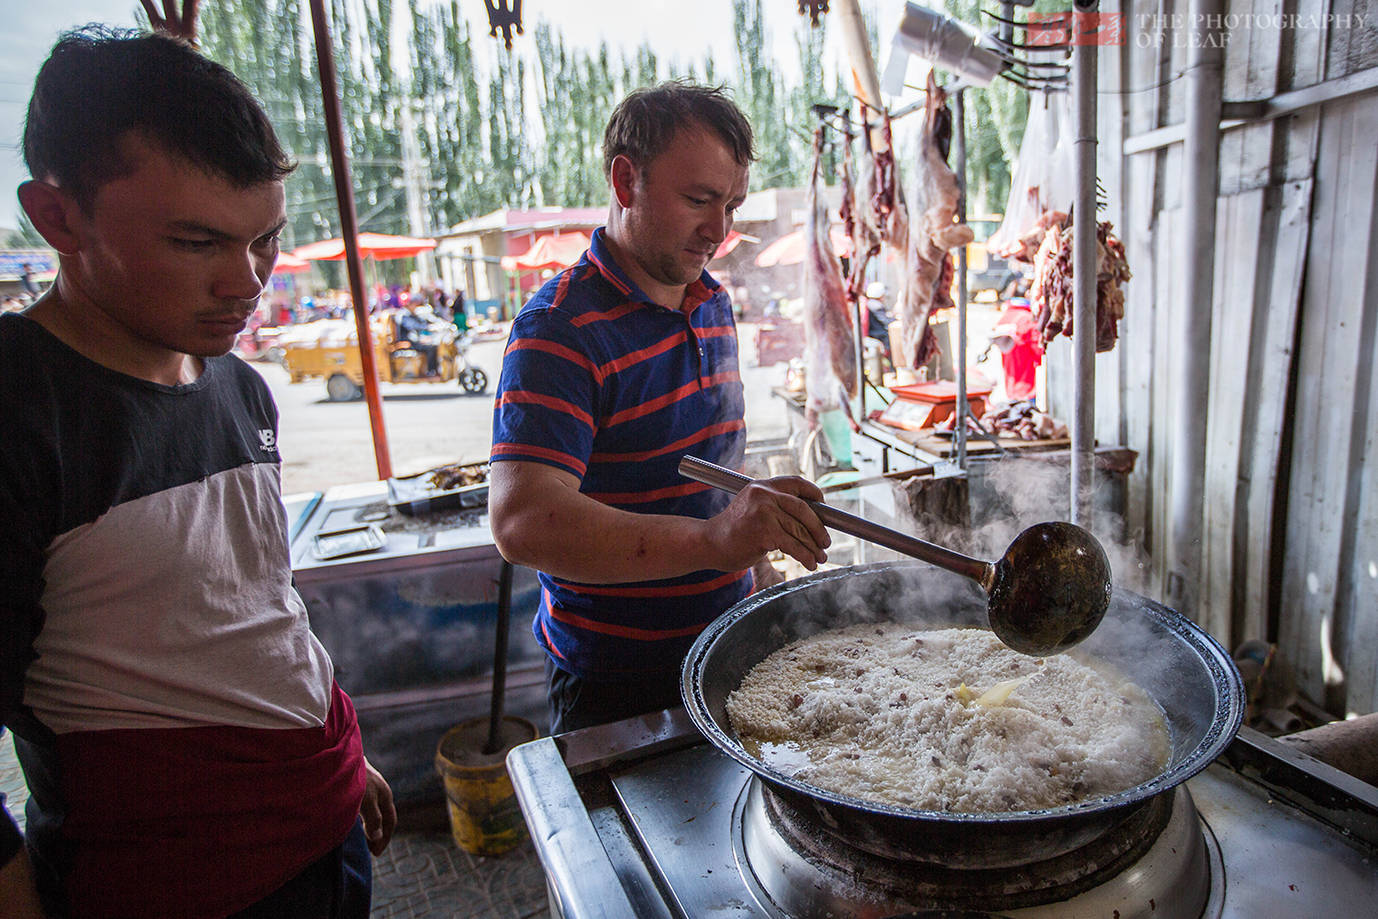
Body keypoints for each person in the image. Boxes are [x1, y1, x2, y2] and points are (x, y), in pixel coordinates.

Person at [1, 26, 394, 918]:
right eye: (196, 243)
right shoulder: (21, 408)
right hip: (172, 885)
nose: (247, 282)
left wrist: (339, 751)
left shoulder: (240, 388)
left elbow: (252, 606)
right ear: (57, 216)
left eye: (265, 241)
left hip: (321, 824)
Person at [489, 82, 831, 735]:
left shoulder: (711, 303)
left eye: (731, 204)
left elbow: (715, 469)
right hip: (615, 682)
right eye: (699, 200)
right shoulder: (560, 329)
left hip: (729, 644)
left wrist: (752, 549)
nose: (721, 230)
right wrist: (715, 539)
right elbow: (522, 521)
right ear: (626, 181)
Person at [396, 301, 439, 375]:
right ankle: (431, 371)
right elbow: (412, 326)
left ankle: (432, 370)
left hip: (413, 340)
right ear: (408, 305)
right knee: (431, 348)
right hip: (408, 342)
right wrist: (427, 327)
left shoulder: (410, 314)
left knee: (433, 344)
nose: (415, 307)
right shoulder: (404, 315)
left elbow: (420, 322)